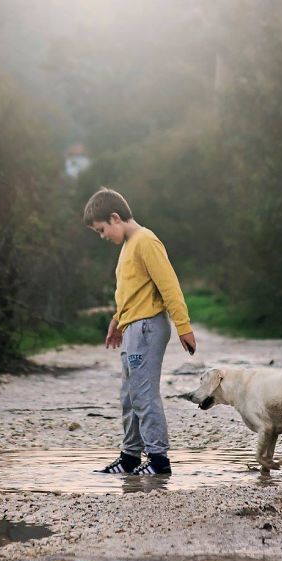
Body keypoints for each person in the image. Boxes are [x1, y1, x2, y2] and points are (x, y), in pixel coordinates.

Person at [84, 187, 196, 475]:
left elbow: (169, 285)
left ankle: (159, 462)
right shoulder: (128, 246)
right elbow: (131, 291)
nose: (102, 236)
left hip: (147, 328)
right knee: (129, 395)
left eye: (101, 230)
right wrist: (117, 320)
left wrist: (183, 326)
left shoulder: (146, 241)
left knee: (144, 395)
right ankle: (130, 457)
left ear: (115, 217)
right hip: (133, 326)